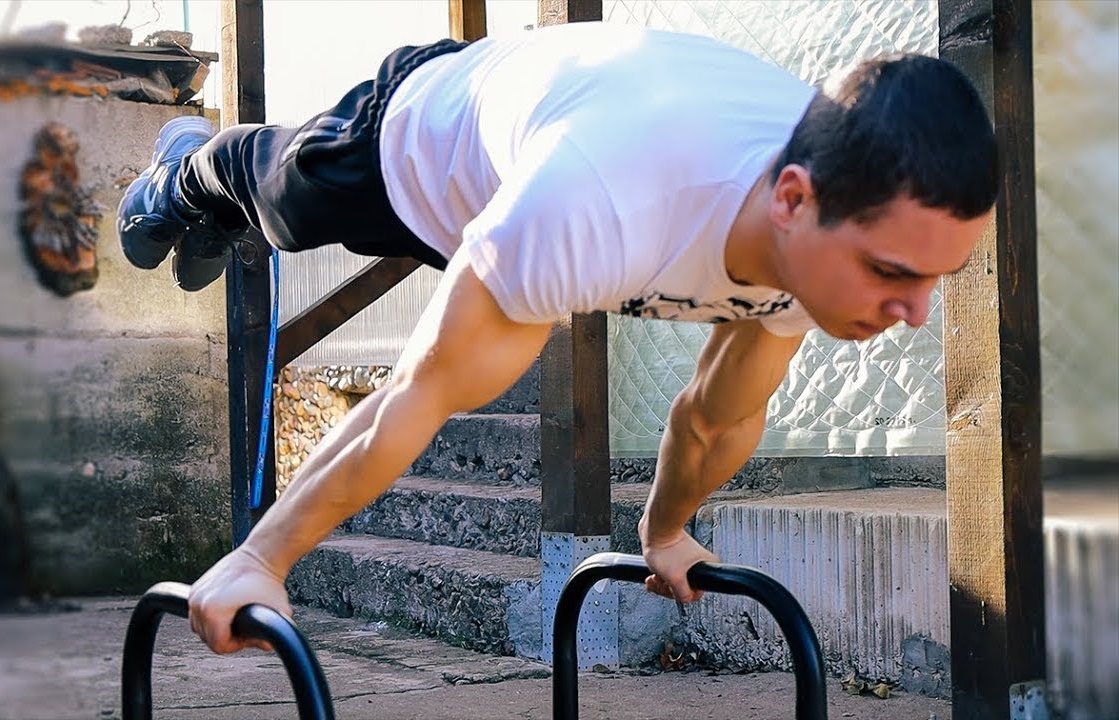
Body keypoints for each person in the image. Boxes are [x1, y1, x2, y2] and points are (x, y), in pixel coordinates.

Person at [117, 21, 997, 655]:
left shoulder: (823, 244)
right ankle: (189, 170)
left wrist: (665, 530)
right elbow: (417, 394)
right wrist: (260, 557)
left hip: (544, 171)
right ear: (795, 200)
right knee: (285, 202)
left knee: (283, 225)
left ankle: (213, 208)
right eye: (893, 274)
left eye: (933, 278)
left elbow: (716, 418)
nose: (914, 312)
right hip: (420, 140)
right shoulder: (601, 199)